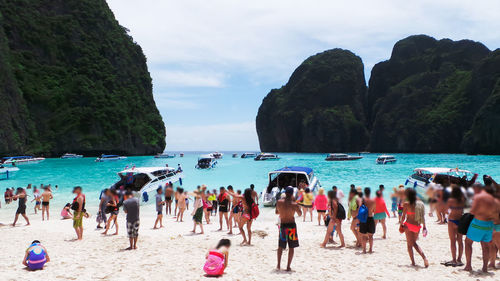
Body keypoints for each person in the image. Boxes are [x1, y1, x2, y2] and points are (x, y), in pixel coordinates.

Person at [464, 183, 496, 272]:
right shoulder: (492, 198)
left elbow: (472, 212)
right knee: (485, 246)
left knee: (468, 242)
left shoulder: (477, 197)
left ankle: (468, 266)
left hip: (478, 224)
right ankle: (485, 268)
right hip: (489, 225)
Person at [276, 187, 302, 271]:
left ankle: (278, 265)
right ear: (292, 194)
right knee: (291, 247)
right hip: (291, 226)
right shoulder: (294, 204)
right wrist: (298, 206)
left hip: (283, 226)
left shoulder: (279, 202)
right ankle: (288, 266)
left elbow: (276, 212)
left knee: (280, 246)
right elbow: (300, 214)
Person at [401, 188, 428, 268]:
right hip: (417, 226)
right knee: (413, 243)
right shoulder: (420, 204)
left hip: (408, 225)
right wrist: (424, 227)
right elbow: (422, 217)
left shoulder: (406, 204)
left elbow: (403, 216)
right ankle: (413, 262)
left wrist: (401, 224)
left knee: (411, 244)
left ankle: (423, 258)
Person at [443, 185, 465, 267]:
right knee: (460, 241)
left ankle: (454, 259)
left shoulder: (450, 200)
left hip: (452, 220)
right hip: (460, 220)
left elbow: (446, 211)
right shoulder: (462, 200)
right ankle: (459, 259)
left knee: (452, 241)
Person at [359, 187, 376, 254]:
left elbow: (360, 210)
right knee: (371, 236)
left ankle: (364, 250)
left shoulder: (362, 200)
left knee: (363, 236)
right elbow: (374, 210)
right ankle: (370, 249)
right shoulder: (373, 201)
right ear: (370, 192)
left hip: (363, 219)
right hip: (370, 218)